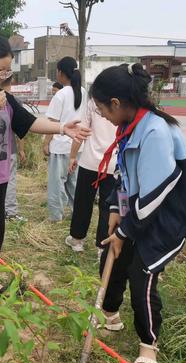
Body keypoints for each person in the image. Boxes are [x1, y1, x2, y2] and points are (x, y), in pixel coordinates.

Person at [0, 36, 90, 295]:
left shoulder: (4, 98)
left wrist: (61, 128)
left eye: (7, 70)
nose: (3, 75)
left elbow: (28, 122)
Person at [91, 63, 186, 363]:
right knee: (111, 252)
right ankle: (110, 312)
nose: (103, 117)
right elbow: (124, 178)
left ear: (115, 104)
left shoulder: (156, 132)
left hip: (165, 220)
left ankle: (148, 344)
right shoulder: (128, 128)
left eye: (101, 110)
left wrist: (125, 229)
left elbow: (155, 196)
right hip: (138, 210)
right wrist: (114, 210)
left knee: (142, 273)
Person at [65, 98, 117, 256]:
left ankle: (77, 239)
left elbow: (82, 131)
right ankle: (102, 246)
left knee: (83, 202)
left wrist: (73, 156)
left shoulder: (94, 102)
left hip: (90, 162)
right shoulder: (124, 103)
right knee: (108, 206)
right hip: (114, 164)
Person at [43, 56, 88, 222]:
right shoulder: (83, 92)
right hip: (77, 146)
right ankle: (78, 212)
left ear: (61, 73)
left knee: (57, 183)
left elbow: (53, 123)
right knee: (73, 183)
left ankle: (56, 216)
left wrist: (46, 143)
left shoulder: (60, 94)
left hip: (60, 145)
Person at [1, 75, 26, 221]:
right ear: (12, 82)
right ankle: (10, 212)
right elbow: (21, 131)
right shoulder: (15, 102)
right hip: (9, 148)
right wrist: (21, 149)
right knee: (10, 180)